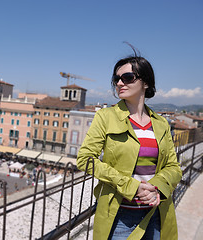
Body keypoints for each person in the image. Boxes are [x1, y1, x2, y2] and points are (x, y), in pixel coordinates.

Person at [77, 53, 182, 239]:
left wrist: (155, 188)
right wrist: (131, 186)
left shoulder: (161, 124)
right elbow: (85, 160)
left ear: (146, 82)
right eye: (117, 78)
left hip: (156, 212)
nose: (119, 83)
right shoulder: (105, 117)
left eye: (127, 77)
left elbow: (173, 167)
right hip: (120, 217)